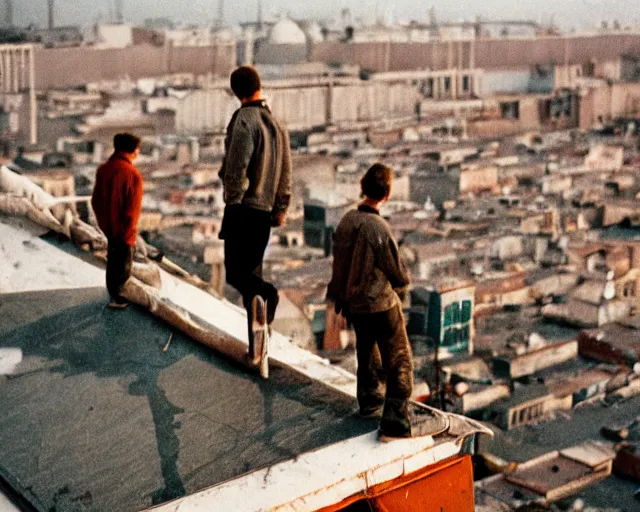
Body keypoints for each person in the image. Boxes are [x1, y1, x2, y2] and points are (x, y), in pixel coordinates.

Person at [327, 163, 414, 441]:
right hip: (381, 305)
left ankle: (369, 401)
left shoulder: (346, 221)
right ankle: (395, 420)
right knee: (398, 359)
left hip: (355, 305)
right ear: (386, 194)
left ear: (363, 187)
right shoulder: (378, 228)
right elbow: (397, 274)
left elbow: (338, 266)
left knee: (366, 350)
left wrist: (340, 295)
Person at [218, 66, 292, 375]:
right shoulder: (276, 124)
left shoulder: (245, 121)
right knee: (252, 284)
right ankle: (257, 349)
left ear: (236, 92)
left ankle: (270, 294)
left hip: (244, 208)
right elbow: (286, 171)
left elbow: (237, 166)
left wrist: (231, 200)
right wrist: (280, 208)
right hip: (263, 214)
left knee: (236, 274)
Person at [91, 133, 143, 309]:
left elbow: (96, 201)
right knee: (122, 266)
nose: (138, 152)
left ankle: (114, 297)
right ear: (132, 151)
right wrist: (128, 233)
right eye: (137, 149)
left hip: (109, 229)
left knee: (112, 263)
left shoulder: (103, 169)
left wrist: (105, 226)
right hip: (125, 233)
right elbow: (132, 210)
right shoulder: (133, 174)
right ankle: (120, 299)